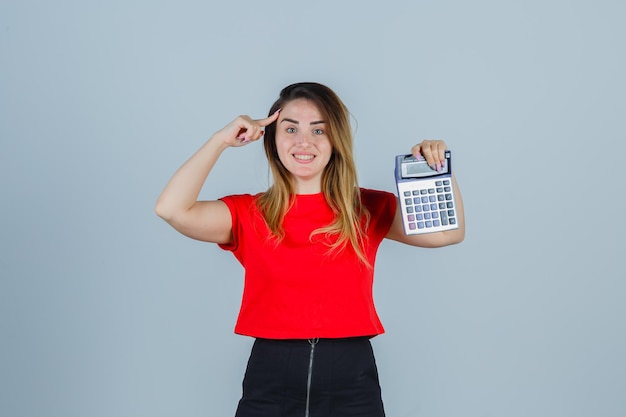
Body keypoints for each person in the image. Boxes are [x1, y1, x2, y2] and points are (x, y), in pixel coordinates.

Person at [155, 82, 465, 417]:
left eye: (319, 130)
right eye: (290, 129)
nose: (304, 142)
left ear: (336, 141)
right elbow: (171, 209)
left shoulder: (365, 208)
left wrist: (438, 171)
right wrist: (220, 141)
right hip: (270, 375)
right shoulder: (247, 213)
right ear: (273, 139)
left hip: (352, 377)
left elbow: (448, 234)